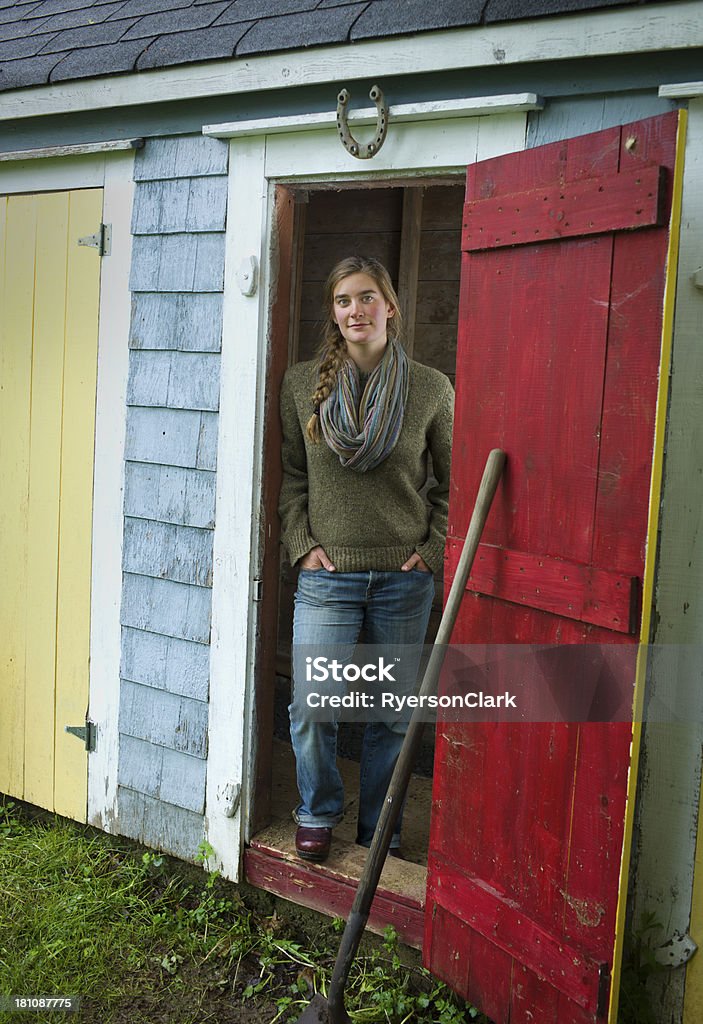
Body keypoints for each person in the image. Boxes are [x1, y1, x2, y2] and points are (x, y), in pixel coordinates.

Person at [278, 255, 454, 863]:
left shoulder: (431, 388)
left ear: (391, 306)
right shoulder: (303, 384)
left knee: (393, 714)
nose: (356, 310)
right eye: (344, 300)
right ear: (334, 311)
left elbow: (449, 486)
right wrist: (302, 545)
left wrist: (431, 551)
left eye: (367, 297)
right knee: (311, 704)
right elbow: (293, 478)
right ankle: (318, 810)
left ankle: (381, 827)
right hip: (328, 577)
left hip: (404, 579)